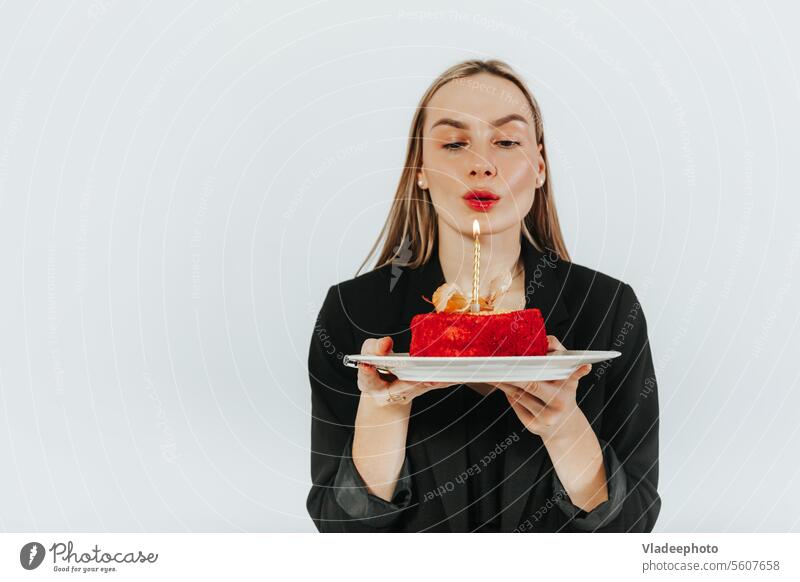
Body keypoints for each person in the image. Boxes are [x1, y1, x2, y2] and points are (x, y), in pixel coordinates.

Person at [306, 59, 660, 532]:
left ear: (539, 167)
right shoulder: (353, 314)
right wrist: (383, 410)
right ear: (421, 171)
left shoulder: (609, 309)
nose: (481, 164)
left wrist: (564, 427)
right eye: (453, 143)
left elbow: (632, 530)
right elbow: (339, 530)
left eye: (507, 141)